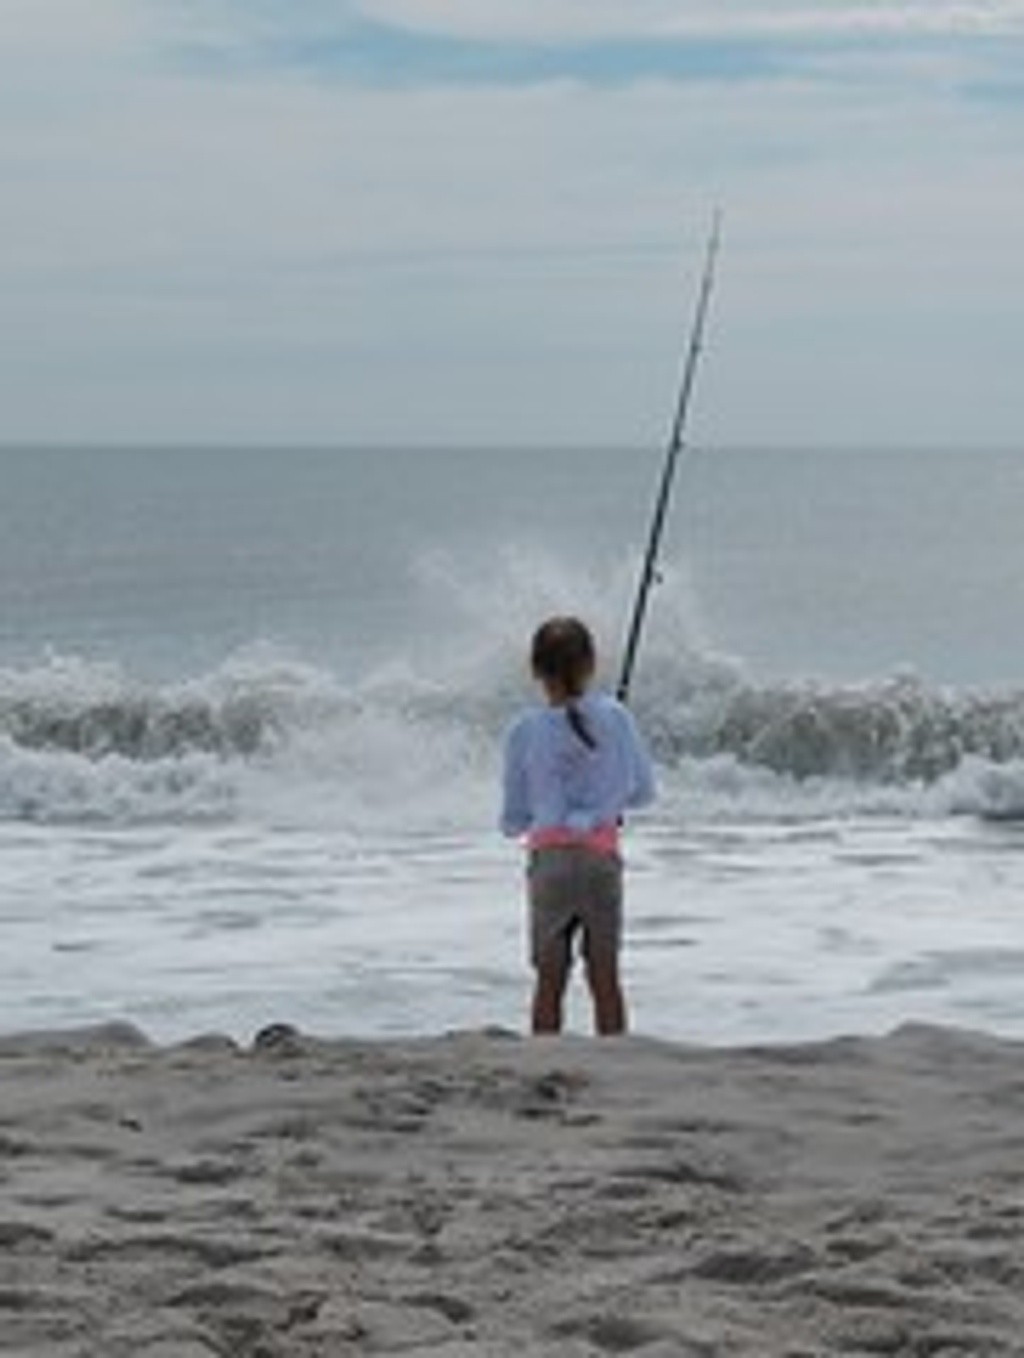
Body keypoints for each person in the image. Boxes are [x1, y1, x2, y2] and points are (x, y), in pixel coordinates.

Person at [500, 616, 655, 1036]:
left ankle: (544, 1056)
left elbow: (513, 818)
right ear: (591, 664)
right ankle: (614, 1055)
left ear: (535, 669)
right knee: (605, 976)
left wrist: (545, 819)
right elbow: (643, 792)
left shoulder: (524, 730)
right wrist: (606, 806)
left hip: (549, 862)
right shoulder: (616, 718)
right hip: (600, 859)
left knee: (549, 979)